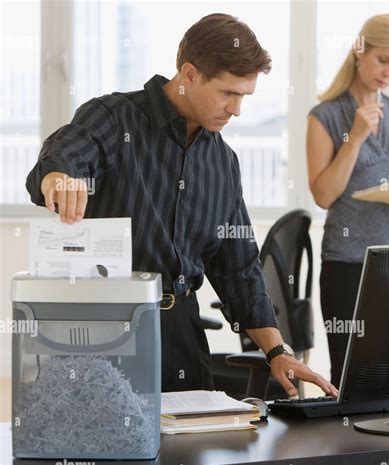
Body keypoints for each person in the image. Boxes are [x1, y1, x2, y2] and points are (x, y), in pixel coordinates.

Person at [26, 13, 338, 398]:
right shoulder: (114, 116)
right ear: (189, 74)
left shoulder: (223, 163)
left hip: (182, 337)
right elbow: (65, 153)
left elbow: (239, 271)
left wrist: (277, 351)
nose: (237, 109)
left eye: (245, 96)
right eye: (228, 93)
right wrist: (59, 176)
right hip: (105, 331)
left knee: (188, 452)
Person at [306, 14, 389, 387]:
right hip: (348, 265)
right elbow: (324, 195)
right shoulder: (324, 116)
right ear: (360, 52)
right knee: (354, 377)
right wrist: (355, 138)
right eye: (382, 61)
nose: (388, 72)